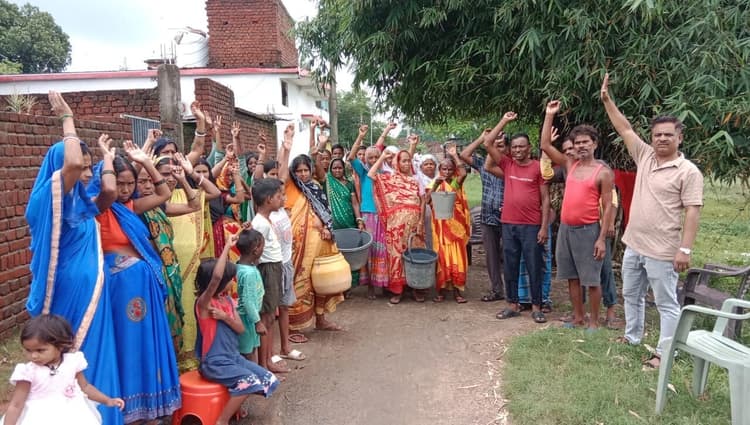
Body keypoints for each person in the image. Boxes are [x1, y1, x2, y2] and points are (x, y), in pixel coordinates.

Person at [25, 91, 122, 425]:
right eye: (82, 166)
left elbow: (110, 191)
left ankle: (102, 417)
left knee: (95, 355)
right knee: (70, 356)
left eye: (89, 168)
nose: (86, 173)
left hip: (94, 293)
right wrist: (67, 119)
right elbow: (74, 164)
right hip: (67, 294)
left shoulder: (83, 206)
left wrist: (106, 158)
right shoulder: (45, 203)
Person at [601, 73, 703, 368]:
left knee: (666, 303)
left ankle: (665, 352)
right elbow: (624, 128)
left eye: (668, 135)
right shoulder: (645, 156)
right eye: (657, 134)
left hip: (663, 249)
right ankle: (632, 336)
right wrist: (607, 100)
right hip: (635, 243)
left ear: (679, 138)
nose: (662, 139)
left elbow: (693, 211)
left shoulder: (688, 171)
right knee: (631, 293)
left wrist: (685, 249)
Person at [88, 143, 181, 423]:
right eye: (121, 183)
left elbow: (164, 194)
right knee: (126, 344)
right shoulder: (99, 207)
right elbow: (108, 192)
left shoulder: (130, 207)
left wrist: (146, 162)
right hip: (118, 289)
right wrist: (108, 159)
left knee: (145, 344)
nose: (126, 189)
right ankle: (127, 408)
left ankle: (150, 405)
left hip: (144, 287)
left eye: (131, 184)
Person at [541, 100, 615, 330]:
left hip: (589, 230)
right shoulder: (570, 164)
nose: (581, 146)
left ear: (595, 144)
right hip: (566, 229)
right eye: (578, 143)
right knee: (572, 277)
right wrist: (549, 115)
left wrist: (601, 238)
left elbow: (608, 206)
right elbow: (545, 145)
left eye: (585, 142)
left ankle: (593, 322)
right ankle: (578, 317)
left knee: (592, 280)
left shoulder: (603, 172)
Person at [195, 236, 279, 425]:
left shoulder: (228, 302)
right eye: (229, 279)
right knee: (249, 380)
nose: (232, 282)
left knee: (268, 380)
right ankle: (222, 421)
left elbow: (240, 329)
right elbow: (216, 278)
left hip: (232, 357)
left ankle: (235, 399)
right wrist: (227, 246)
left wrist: (225, 317)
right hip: (214, 362)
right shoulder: (204, 304)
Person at [278, 124, 345, 334]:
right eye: (299, 171)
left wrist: (325, 227)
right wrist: (286, 148)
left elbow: (325, 211)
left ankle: (321, 319)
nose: (303, 174)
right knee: (299, 282)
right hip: (298, 246)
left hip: (321, 242)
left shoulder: (315, 187)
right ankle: (294, 327)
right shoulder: (290, 185)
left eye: (306, 170)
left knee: (320, 281)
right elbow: (281, 174)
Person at [484, 117, 551, 324]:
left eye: (521, 146)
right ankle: (512, 305)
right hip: (508, 224)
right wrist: (503, 121)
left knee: (534, 266)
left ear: (529, 148)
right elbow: (488, 143)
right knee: (510, 266)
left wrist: (543, 228)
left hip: (531, 225)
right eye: (514, 147)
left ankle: (537, 307)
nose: (517, 150)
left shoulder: (538, 167)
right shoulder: (508, 164)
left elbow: (545, 199)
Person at [1, 315, 125, 425]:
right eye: (28, 350)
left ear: (60, 346)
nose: (33, 356)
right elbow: (16, 404)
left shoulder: (72, 363)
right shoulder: (28, 372)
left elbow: (85, 387)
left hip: (73, 414)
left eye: (40, 350)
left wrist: (107, 400)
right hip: (39, 417)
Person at [137, 153, 204, 353]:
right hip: (147, 276)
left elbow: (194, 205)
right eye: (142, 182)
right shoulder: (130, 210)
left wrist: (183, 179)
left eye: (151, 181)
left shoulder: (159, 207)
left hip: (167, 274)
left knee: (171, 327)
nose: (148, 186)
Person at [369, 147, 426, 304]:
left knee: (415, 254)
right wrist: (382, 157)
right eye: (404, 161)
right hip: (396, 227)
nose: (407, 163)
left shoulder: (416, 180)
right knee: (396, 256)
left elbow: (422, 201)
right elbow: (371, 174)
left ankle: (416, 288)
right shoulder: (389, 178)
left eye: (409, 161)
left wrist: (421, 222)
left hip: (414, 225)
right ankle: (397, 290)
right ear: (397, 163)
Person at [459, 127, 509, 302]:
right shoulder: (483, 164)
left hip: (508, 217)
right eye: (493, 145)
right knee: (491, 256)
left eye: (500, 146)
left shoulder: (511, 166)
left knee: (510, 254)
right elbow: (464, 154)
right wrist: (482, 138)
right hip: (487, 216)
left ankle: (513, 291)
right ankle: (497, 290)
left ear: (507, 149)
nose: (496, 149)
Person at [250, 178, 289, 373]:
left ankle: (268, 360)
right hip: (267, 269)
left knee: (270, 317)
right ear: (268, 199)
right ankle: (264, 365)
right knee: (266, 318)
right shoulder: (260, 224)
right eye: (278, 196)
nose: (282, 199)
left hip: (273, 267)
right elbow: (255, 252)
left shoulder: (266, 220)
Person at [348, 125, 390, 299]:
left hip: (384, 215)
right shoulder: (364, 171)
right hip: (368, 215)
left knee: (384, 250)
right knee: (370, 250)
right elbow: (351, 157)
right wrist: (360, 137)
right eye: (370, 157)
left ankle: (383, 283)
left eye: (376, 157)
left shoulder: (386, 173)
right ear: (365, 159)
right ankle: (371, 286)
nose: (373, 160)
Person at [429, 147, 471, 303]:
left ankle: (457, 291)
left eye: (450, 169)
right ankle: (441, 291)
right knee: (442, 258)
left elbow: (464, 174)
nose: (446, 172)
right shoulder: (435, 183)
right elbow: (427, 200)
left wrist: (454, 155)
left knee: (458, 258)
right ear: (439, 170)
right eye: (444, 169)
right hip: (440, 229)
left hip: (456, 228)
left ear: (453, 171)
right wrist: (435, 185)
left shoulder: (455, 183)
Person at [235, 229, 265, 362]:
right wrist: (258, 322)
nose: (263, 249)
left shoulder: (239, 265)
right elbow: (248, 301)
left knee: (248, 350)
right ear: (255, 250)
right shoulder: (249, 274)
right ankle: (253, 374)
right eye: (262, 246)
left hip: (246, 317)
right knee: (249, 352)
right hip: (247, 319)